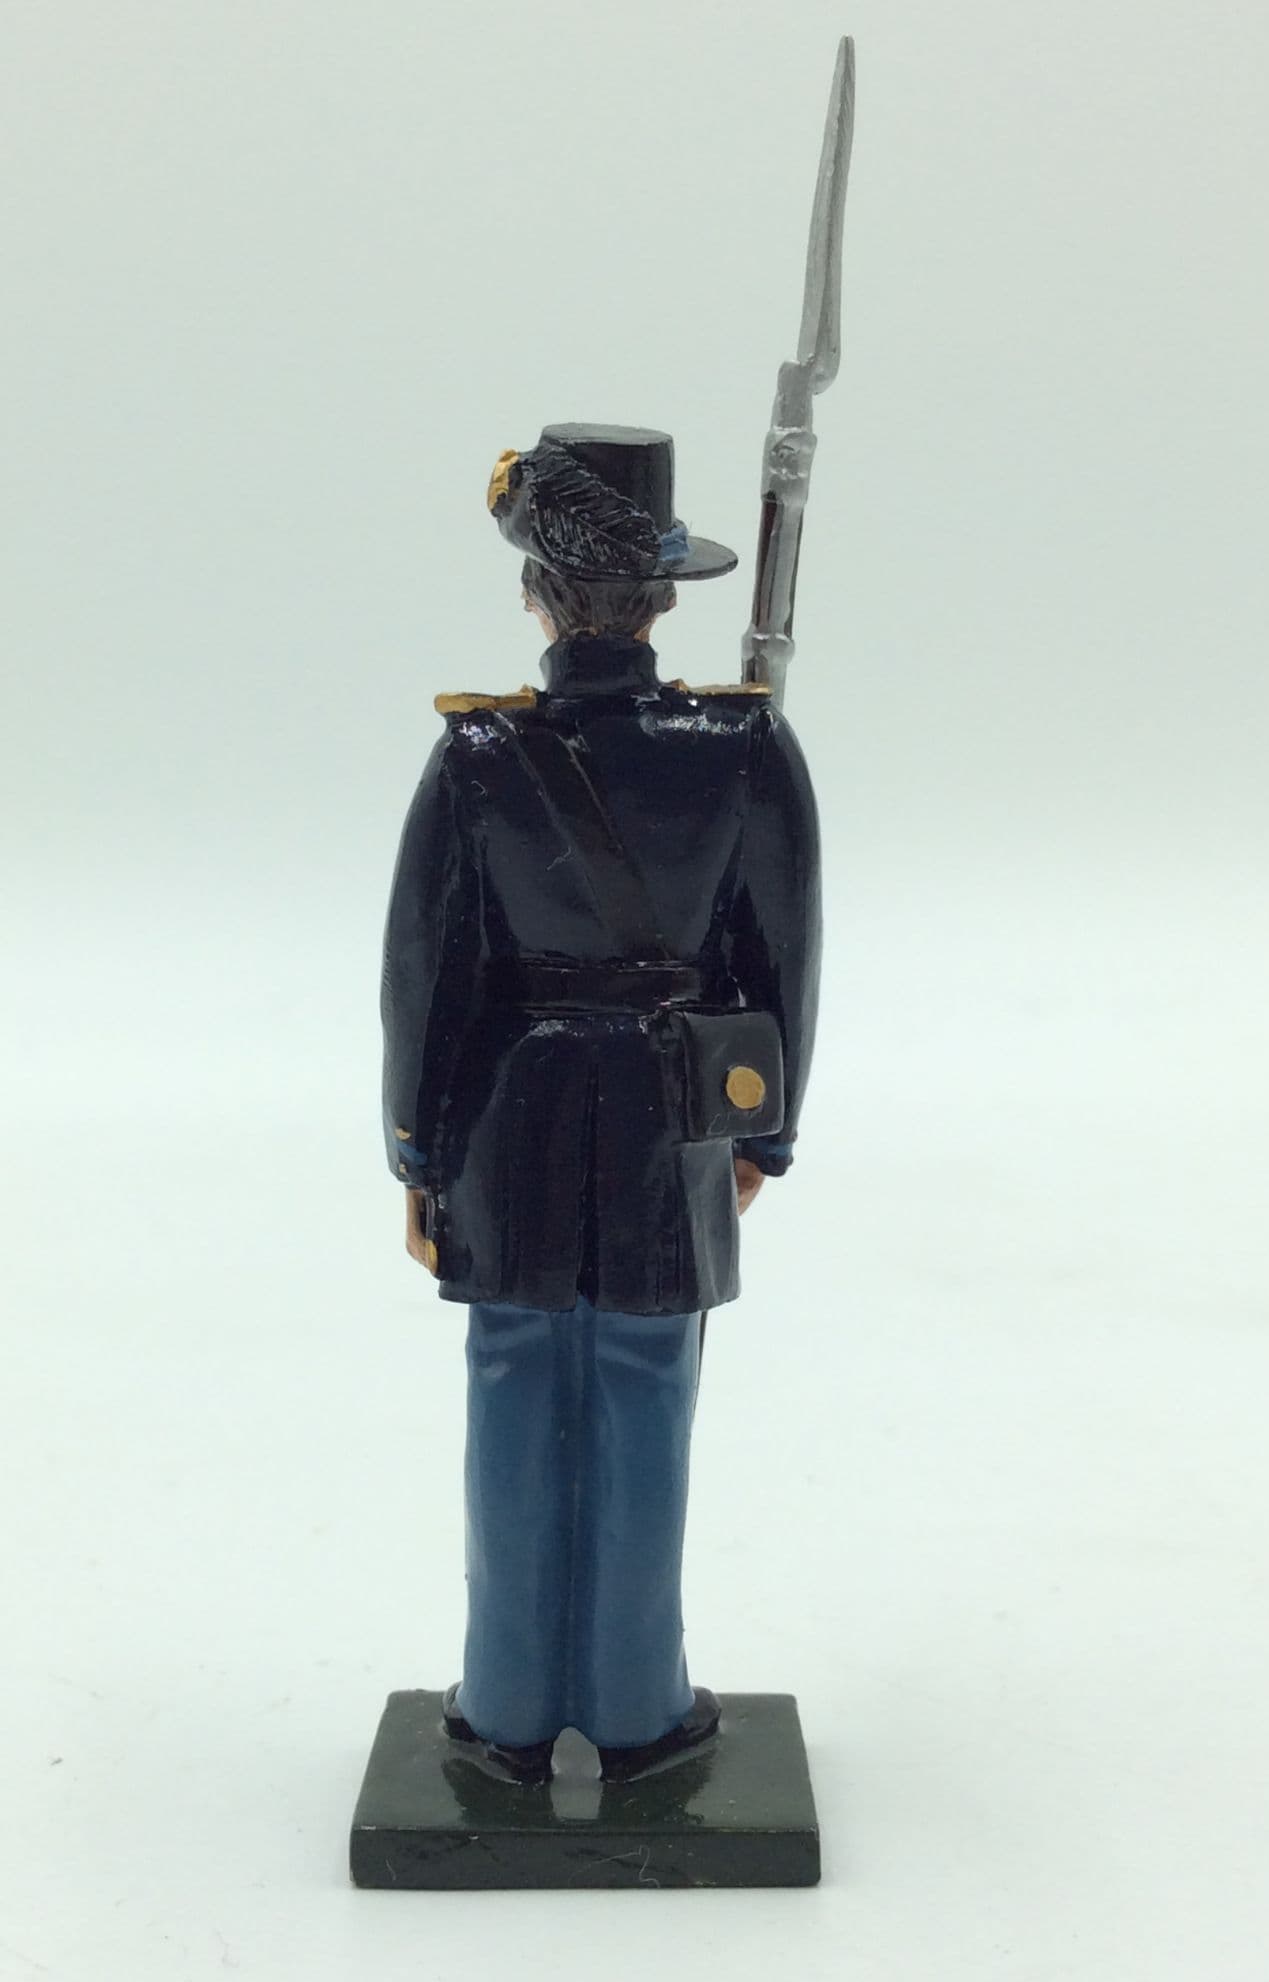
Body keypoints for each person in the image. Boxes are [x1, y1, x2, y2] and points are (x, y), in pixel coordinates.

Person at [380, 423, 821, 1784]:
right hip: (671, 1113)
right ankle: (635, 1708)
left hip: (506, 1117)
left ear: (535, 593)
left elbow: (427, 978)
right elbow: (781, 957)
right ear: (662, 598)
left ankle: (508, 1710)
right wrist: (763, 1132)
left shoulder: (478, 755)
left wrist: (419, 1153)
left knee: (513, 1387)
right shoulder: (743, 744)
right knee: (643, 1391)